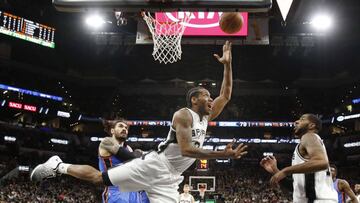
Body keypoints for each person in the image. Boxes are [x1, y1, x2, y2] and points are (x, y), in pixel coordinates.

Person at [30, 41, 248, 203]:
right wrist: (222, 154)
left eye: (211, 97)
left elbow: (226, 94)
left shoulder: (206, 116)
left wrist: (227, 66)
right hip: (155, 166)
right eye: (206, 96)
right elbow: (187, 150)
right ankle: (58, 166)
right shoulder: (183, 115)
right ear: (194, 99)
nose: (211, 99)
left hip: (170, 178)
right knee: (98, 179)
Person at [260, 114, 338, 203]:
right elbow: (296, 188)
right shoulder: (304, 146)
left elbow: (322, 163)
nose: (296, 122)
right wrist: (276, 171)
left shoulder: (309, 136)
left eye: (302, 119)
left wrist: (285, 171)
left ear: (311, 125)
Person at [99, 119, 149, 203]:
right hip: (115, 190)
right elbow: (130, 157)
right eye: (120, 126)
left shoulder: (128, 148)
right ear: (112, 130)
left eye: (126, 128)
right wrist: (139, 153)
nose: (124, 129)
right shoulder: (106, 142)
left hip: (133, 191)